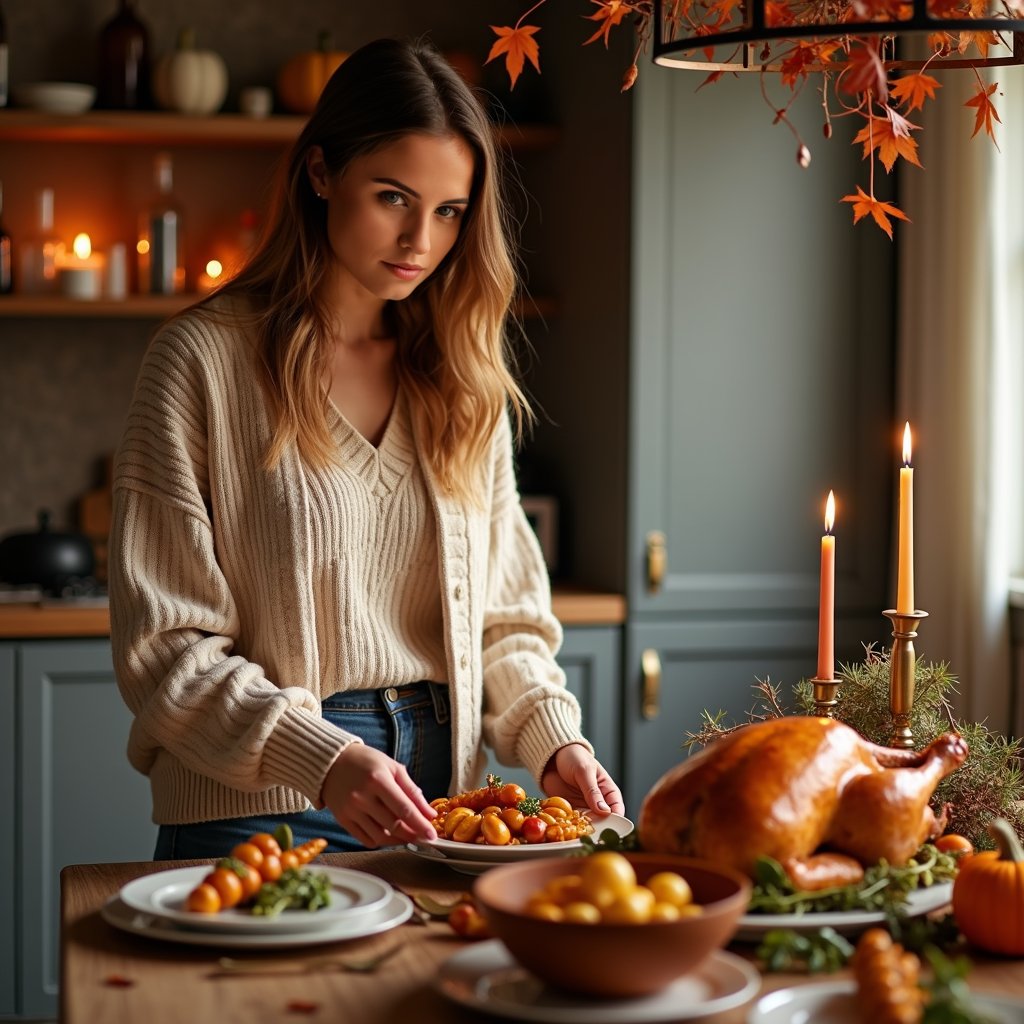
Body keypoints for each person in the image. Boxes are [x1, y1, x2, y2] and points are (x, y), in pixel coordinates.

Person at [108, 37, 624, 860]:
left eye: (450, 211)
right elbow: (165, 651)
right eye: (393, 197)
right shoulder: (202, 361)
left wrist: (556, 743)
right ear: (321, 173)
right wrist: (325, 758)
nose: (421, 238)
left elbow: (508, 625)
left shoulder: (459, 375)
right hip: (258, 801)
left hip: (447, 802)